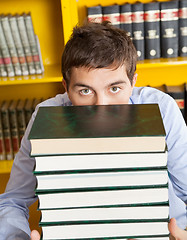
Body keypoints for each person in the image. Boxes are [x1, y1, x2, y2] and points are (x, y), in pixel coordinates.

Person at [0, 21, 186, 240]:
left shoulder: (162, 107)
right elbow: (13, 199)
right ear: (66, 88)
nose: (102, 106)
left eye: (115, 88)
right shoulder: (47, 115)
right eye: (86, 91)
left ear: (133, 82)